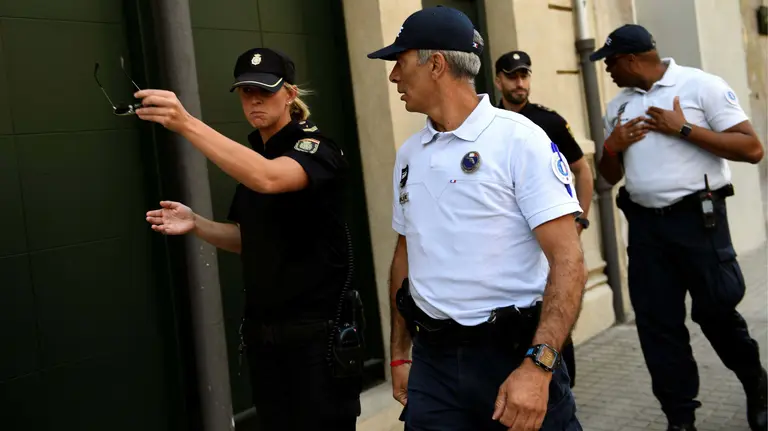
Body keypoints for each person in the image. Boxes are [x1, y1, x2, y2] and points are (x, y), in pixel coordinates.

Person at [368, 6, 585, 431]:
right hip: (434, 365)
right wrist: (399, 353)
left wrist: (538, 366)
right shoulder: (411, 154)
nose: (394, 75)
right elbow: (405, 255)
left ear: (436, 64)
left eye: (401, 61)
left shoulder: (520, 140)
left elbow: (569, 261)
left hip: (511, 356)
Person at [138, 47, 362, 430]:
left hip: (317, 342)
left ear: (290, 95)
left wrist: (186, 122)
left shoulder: (317, 149)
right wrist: (196, 223)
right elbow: (247, 237)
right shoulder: (255, 157)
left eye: (266, 89)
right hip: (265, 340)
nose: (255, 98)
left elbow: (269, 178)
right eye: (246, 90)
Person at [591, 24, 767, 431]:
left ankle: (755, 382)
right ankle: (680, 419)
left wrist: (682, 128)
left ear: (633, 60)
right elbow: (609, 175)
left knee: (717, 314)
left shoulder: (700, 86)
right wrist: (613, 147)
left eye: (611, 63)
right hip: (647, 229)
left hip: (699, 221)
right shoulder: (616, 105)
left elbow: (752, 148)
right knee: (658, 327)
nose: (609, 72)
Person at [495, 50, 596, 388]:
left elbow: (582, 169)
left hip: (549, 237)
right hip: (512, 243)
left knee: (555, 308)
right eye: (512, 76)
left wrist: (579, 220)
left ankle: (561, 386)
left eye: (524, 75)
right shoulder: (489, 121)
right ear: (498, 80)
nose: (520, 83)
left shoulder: (548, 120)